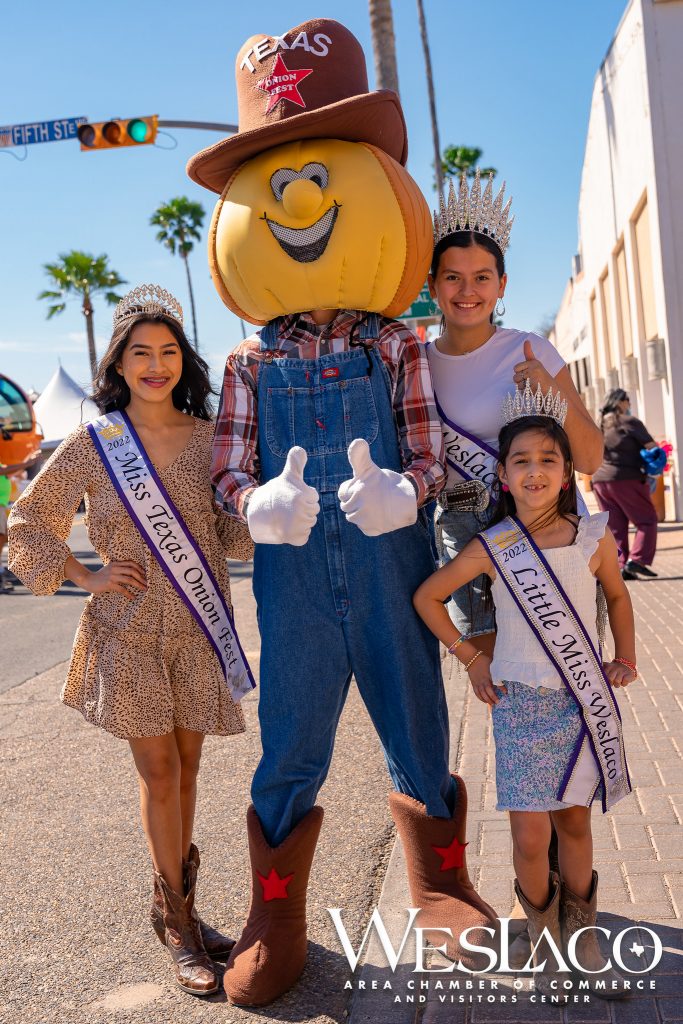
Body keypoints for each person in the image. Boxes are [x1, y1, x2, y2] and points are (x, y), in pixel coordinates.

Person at [187, 18, 497, 1006]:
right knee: (289, 738)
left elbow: (421, 450)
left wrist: (401, 490)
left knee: (415, 714)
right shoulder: (247, 361)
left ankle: (440, 887)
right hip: (292, 586)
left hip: (389, 569)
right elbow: (228, 472)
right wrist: (255, 505)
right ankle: (273, 914)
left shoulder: (397, 346)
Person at [8, 285, 254, 997]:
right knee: (158, 774)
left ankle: (174, 903)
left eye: (168, 351)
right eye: (141, 353)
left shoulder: (212, 439)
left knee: (187, 766)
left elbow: (230, 535)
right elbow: (28, 519)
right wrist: (84, 574)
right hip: (131, 628)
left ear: (184, 361)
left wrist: (263, 501)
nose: (156, 364)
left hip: (200, 626)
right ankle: (180, 926)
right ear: (120, 362)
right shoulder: (95, 442)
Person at [414, 389, 636, 999]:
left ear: (566, 473)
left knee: (576, 824)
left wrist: (627, 656)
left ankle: (583, 934)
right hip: (520, 705)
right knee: (530, 835)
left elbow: (617, 597)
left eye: (548, 459)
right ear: (504, 477)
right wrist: (469, 659)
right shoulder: (496, 544)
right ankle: (541, 932)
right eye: (521, 461)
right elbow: (428, 597)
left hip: (579, 702)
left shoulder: (591, 535)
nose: (534, 470)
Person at [427, 171, 603, 660]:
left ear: (502, 284)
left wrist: (551, 391)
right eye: (453, 277)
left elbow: (589, 458)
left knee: (560, 674)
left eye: (482, 277)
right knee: (499, 683)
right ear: (434, 285)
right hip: (465, 539)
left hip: (544, 531)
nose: (468, 290)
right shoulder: (416, 363)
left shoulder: (533, 350)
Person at [592, 389, 660, 580]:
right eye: (628, 400)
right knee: (646, 520)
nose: (629, 404)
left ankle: (621, 566)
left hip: (599, 481)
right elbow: (653, 449)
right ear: (620, 402)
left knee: (615, 527)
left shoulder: (598, 425)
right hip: (626, 478)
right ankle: (637, 561)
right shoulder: (629, 423)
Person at [0, 452, 39, 592]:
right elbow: (3, 471)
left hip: (1, 505)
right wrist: (26, 463)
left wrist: (27, 460)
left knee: (3, 539)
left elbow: (8, 472)